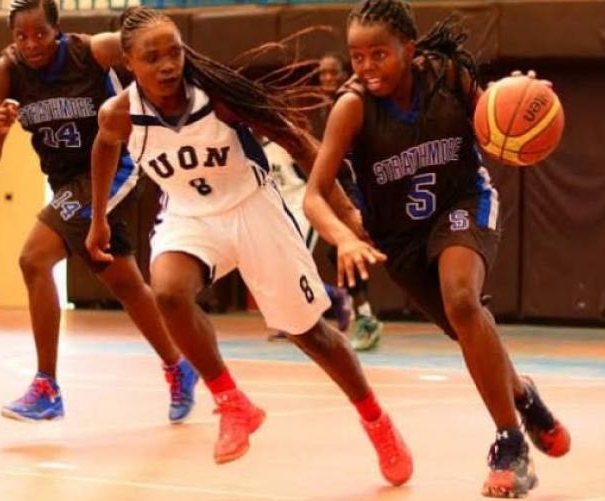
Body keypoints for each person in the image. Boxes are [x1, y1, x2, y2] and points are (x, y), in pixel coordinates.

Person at [86, 6, 411, 485]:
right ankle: (232, 402)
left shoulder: (216, 99)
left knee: (309, 333)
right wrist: (97, 219)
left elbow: (301, 144)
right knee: (169, 292)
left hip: (252, 208)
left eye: (173, 52)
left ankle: (377, 421)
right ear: (128, 65)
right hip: (189, 214)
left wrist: (348, 216)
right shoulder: (119, 114)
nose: (167, 65)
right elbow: (103, 147)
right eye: (152, 58)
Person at [304, 0, 570, 497]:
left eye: (378, 54)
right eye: (356, 57)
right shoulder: (352, 106)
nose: (366, 67)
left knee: (463, 300)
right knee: (466, 329)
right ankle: (524, 396)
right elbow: (314, 194)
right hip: (398, 238)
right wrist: (342, 236)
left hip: (462, 201)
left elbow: (498, 113)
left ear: (408, 49)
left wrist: (527, 98)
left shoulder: (446, 75)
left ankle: (510, 442)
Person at [0, 0, 197, 423]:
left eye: (40, 33)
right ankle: (179, 366)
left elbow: (154, 42)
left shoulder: (92, 51)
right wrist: (0, 132)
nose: (31, 44)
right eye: (21, 36)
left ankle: (46, 387)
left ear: (57, 29)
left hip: (117, 168)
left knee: (33, 259)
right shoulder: (7, 71)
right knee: (126, 283)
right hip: (67, 184)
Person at [312, 52, 383, 351]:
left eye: (332, 73)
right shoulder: (317, 110)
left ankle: (364, 316)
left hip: (355, 185)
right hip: (331, 187)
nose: (328, 78)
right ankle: (362, 314)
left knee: (345, 250)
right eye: (323, 74)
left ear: (343, 74)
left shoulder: (352, 103)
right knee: (337, 254)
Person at [261, 137, 352, 341]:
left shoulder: (281, 143)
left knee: (293, 268)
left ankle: (299, 320)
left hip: (301, 209)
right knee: (277, 270)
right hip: (277, 212)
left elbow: (313, 169)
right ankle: (333, 295)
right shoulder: (246, 147)